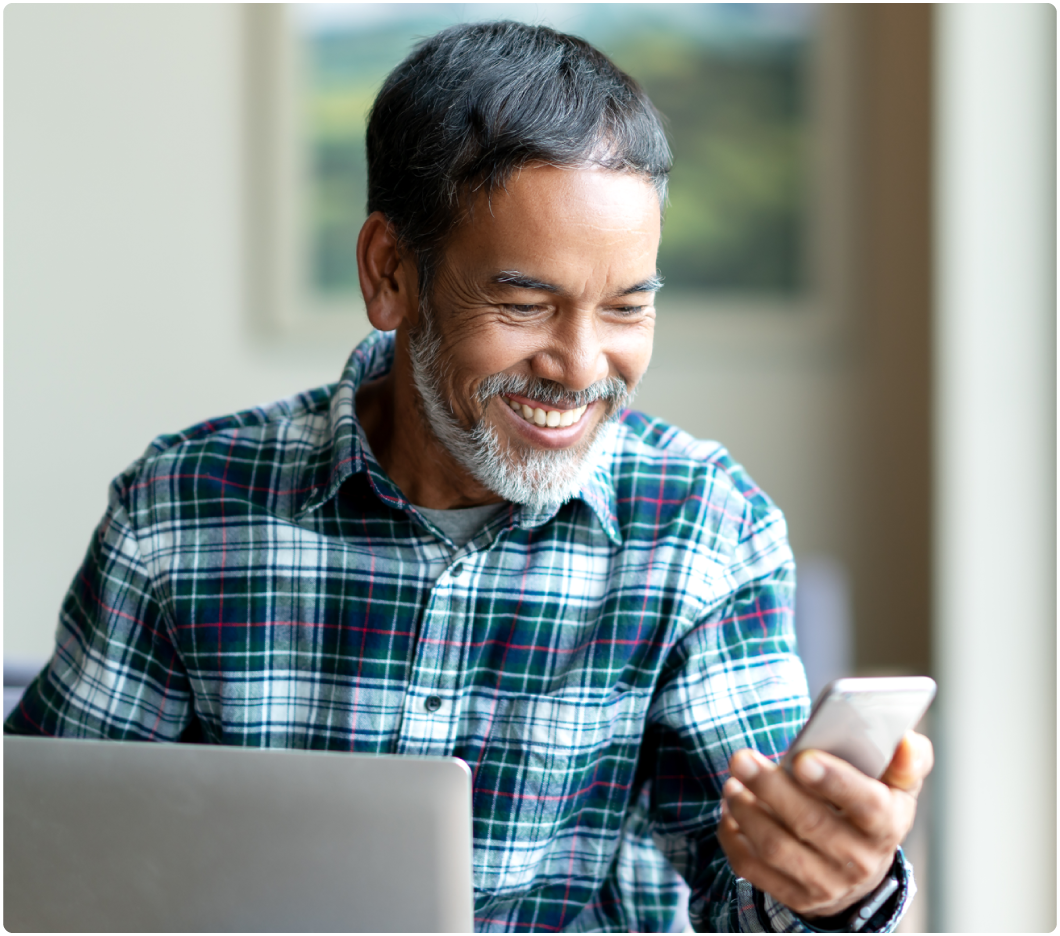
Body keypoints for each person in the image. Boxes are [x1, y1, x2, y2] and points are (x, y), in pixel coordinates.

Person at [5, 22, 932, 933]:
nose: (579, 365)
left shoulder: (703, 528)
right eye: (525, 304)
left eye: (625, 308)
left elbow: (747, 898)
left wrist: (829, 890)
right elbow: (47, 858)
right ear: (389, 273)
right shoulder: (179, 515)